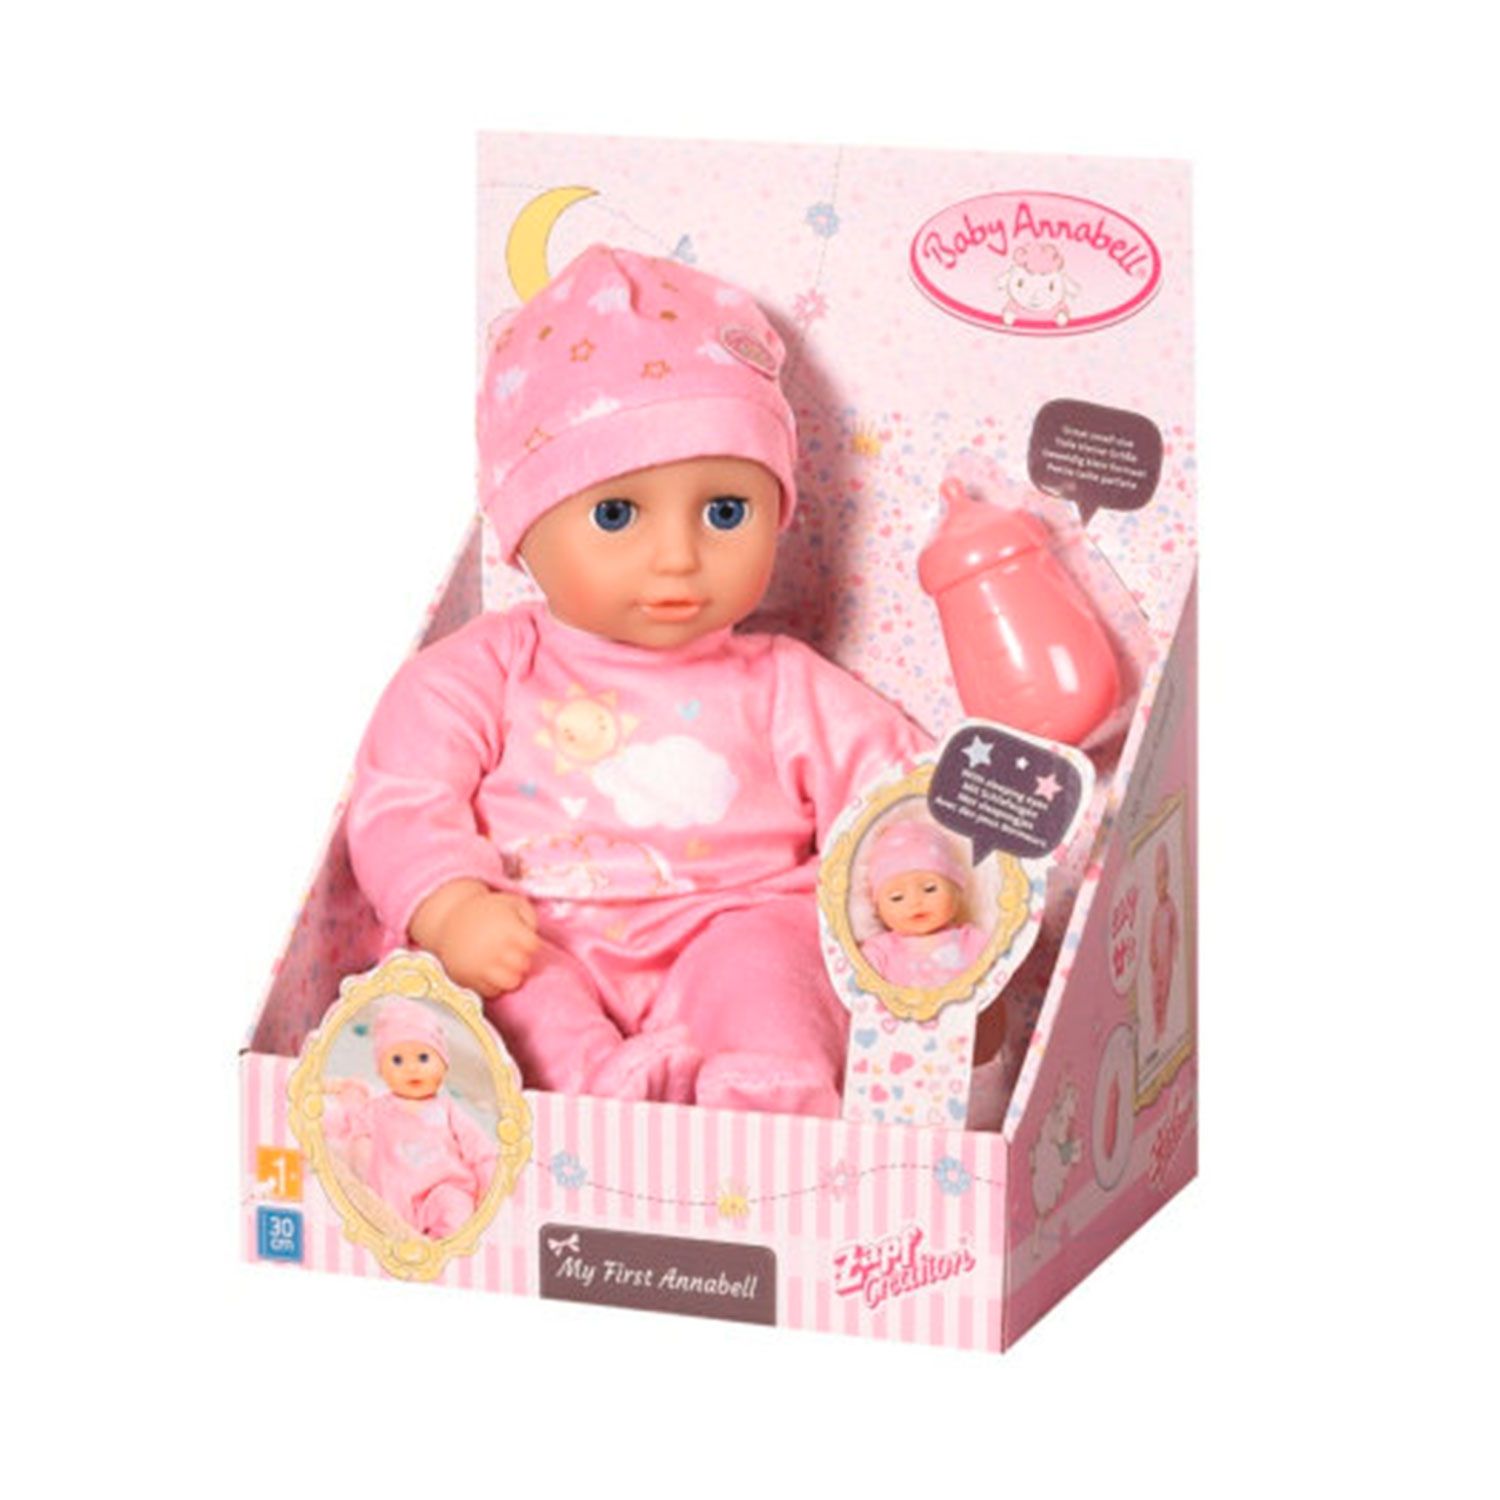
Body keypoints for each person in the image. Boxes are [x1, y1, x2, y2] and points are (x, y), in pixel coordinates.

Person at [347, 244, 930, 1117]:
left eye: (724, 511)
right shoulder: (482, 671)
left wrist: (916, 879)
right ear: (524, 530)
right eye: (617, 514)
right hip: (535, 929)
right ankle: (594, 1097)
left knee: (772, 968)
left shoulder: (783, 685)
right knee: (506, 998)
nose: (678, 557)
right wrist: (449, 905)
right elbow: (401, 795)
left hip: (730, 920)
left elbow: (902, 790)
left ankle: (764, 1094)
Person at [859, 819, 987, 989]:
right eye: (897, 897)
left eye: (930, 889)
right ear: (878, 908)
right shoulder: (879, 952)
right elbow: (859, 988)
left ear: (957, 890)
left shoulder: (973, 942)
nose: (915, 902)